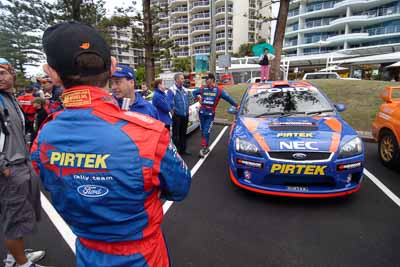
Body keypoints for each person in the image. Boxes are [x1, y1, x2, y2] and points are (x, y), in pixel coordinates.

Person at [33, 21, 191, 267]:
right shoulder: (149, 133)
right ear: (113, 66)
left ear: (51, 73)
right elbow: (180, 189)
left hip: (87, 254)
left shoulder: (43, 137)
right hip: (144, 256)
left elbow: (50, 182)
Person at [0, 58, 47, 267]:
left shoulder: (9, 98)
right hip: (9, 168)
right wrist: (3, 166)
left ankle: (15, 255)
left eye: (2, 72)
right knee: (14, 219)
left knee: (18, 215)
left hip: (21, 163)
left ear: (12, 75)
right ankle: (22, 263)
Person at [193, 73, 238, 157]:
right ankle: (205, 146)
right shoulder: (203, 88)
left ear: (212, 80)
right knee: (203, 131)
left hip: (210, 114)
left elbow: (228, 98)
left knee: (206, 131)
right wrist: (198, 99)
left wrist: (237, 105)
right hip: (202, 113)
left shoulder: (219, 90)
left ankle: (204, 148)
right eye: (205, 79)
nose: (206, 80)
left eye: (208, 79)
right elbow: (194, 92)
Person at [170, 73, 191, 155]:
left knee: (183, 133)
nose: (183, 80)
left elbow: (188, 100)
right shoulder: (172, 90)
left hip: (185, 115)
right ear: (177, 80)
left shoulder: (185, 89)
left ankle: (183, 150)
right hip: (177, 116)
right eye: (182, 78)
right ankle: (176, 152)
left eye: (183, 78)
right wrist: (173, 112)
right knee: (176, 135)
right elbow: (169, 102)